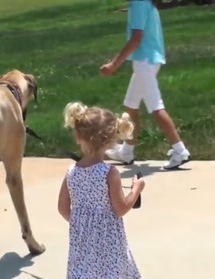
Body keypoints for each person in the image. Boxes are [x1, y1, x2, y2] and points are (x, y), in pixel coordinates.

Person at [58, 101, 145, 279]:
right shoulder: (109, 173)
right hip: (109, 244)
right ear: (110, 140)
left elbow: (62, 208)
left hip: (82, 245)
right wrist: (136, 189)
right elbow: (120, 208)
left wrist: (81, 222)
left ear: (78, 136)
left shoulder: (71, 172)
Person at [100, 0, 190, 170]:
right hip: (147, 61)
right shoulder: (146, 3)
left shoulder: (138, 4)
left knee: (156, 108)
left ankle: (180, 150)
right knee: (131, 106)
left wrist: (114, 64)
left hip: (145, 62)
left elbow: (136, 38)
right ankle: (127, 151)